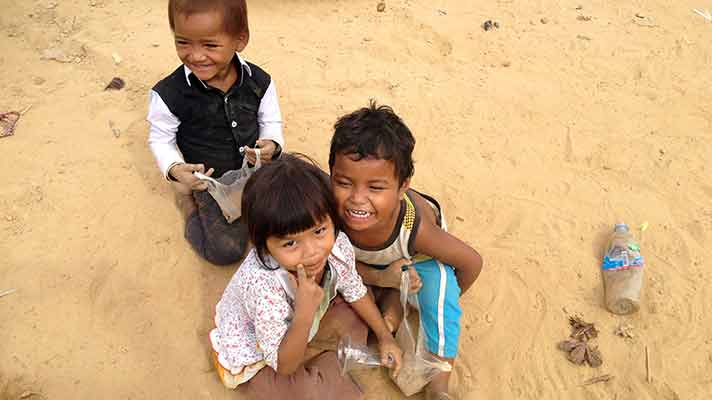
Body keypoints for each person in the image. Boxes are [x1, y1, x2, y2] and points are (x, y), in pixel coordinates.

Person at [209, 154, 402, 400]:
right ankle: (320, 365)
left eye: (320, 231)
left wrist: (385, 338)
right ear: (265, 247)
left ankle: (316, 356)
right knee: (300, 392)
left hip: (308, 318)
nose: (312, 252)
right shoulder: (263, 285)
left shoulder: (336, 246)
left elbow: (353, 288)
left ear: (332, 220)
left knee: (357, 317)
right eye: (290, 243)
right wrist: (303, 314)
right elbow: (284, 366)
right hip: (263, 351)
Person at [328, 101, 484, 400]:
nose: (357, 200)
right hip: (374, 263)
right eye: (344, 182)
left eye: (375, 188)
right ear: (332, 175)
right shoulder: (329, 212)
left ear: (402, 188)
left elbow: (471, 263)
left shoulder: (418, 231)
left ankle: (439, 385)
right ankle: (391, 299)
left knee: (440, 298)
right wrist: (379, 276)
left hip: (416, 257)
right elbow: (335, 262)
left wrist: (428, 302)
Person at [147, 0, 283, 265]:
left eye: (210, 45)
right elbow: (160, 138)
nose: (196, 55)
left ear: (239, 40)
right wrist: (175, 169)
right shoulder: (168, 94)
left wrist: (272, 145)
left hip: (258, 171)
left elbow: (271, 122)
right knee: (226, 249)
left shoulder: (260, 82)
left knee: (314, 190)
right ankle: (188, 206)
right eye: (183, 42)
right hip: (210, 182)